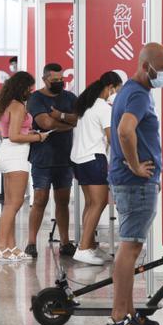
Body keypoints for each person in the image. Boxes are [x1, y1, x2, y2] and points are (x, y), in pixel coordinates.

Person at [106, 43, 163, 325]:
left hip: (133, 181)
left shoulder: (134, 92)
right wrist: (134, 165)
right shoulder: (136, 94)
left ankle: (129, 312)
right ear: (145, 66)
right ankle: (119, 318)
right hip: (134, 182)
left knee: (132, 247)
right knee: (130, 247)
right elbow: (124, 130)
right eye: (162, 68)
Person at [0, 71, 49, 262]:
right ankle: (0, 247)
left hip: (7, 152)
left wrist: (27, 132)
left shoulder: (6, 104)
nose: (31, 91)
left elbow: (12, 132)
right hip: (15, 154)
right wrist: (38, 136)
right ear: (21, 88)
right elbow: (15, 136)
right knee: (14, 204)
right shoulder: (17, 106)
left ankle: (11, 247)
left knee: (10, 204)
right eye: (29, 88)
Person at [24, 63, 79, 260]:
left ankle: (65, 243)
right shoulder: (36, 98)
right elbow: (44, 123)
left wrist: (59, 116)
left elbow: (77, 118)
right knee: (39, 200)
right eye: (54, 80)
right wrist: (65, 123)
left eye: (61, 79)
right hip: (42, 158)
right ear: (45, 79)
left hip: (64, 158)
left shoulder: (69, 97)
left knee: (63, 202)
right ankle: (31, 243)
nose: (59, 83)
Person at [69, 71, 122, 265]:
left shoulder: (87, 105)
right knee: (99, 204)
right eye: (118, 89)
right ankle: (83, 249)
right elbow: (111, 138)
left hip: (79, 159)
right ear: (111, 87)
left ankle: (88, 244)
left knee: (91, 203)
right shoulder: (104, 108)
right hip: (93, 159)